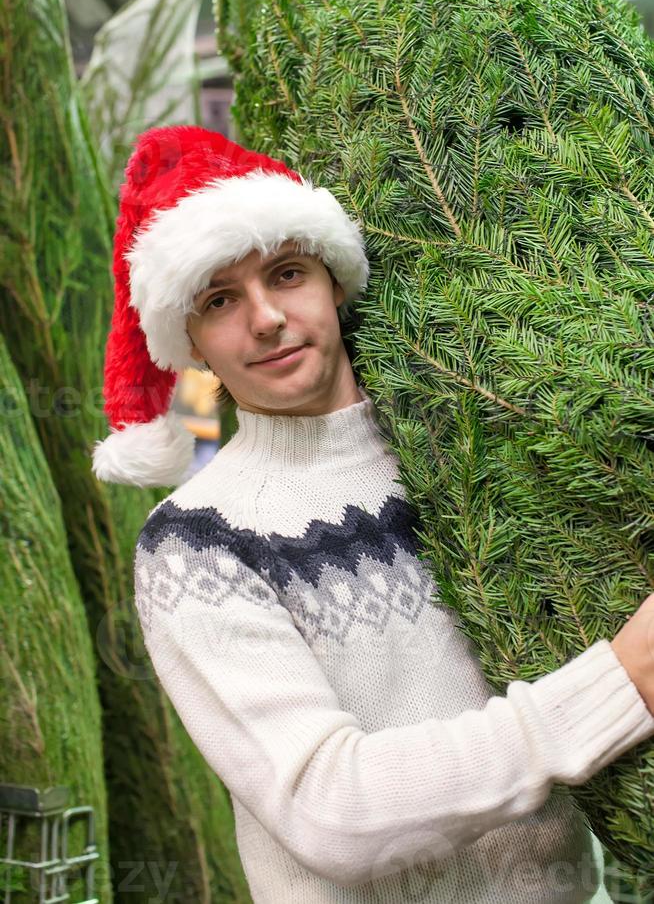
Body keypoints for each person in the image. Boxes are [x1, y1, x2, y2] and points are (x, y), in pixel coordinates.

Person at [92, 124, 654, 903]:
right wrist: (621, 684)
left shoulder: (465, 452)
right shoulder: (196, 545)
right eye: (221, 299)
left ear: (334, 279)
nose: (265, 318)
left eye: (286, 273)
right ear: (191, 339)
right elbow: (335, 810)